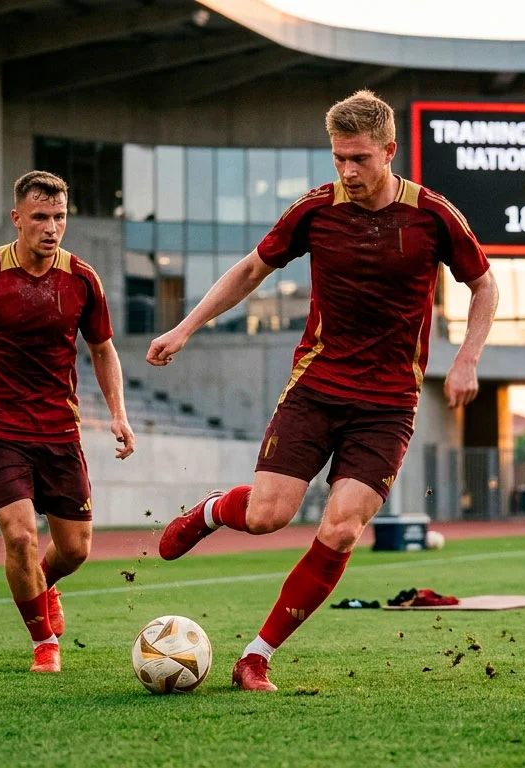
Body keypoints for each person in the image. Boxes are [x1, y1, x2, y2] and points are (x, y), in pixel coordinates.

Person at [148, 90, 499, 692]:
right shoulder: (315, 210)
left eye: (359, 158)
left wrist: (467, 358)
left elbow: (484, 286)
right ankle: (212, 510)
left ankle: (255, 656)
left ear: (390, 151)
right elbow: (250, 271)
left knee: (340, 529)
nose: (347, 171)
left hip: (389, 405)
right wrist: (186, 327)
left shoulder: (433, 215)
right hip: (316, 388)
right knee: (266, 518)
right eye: (339, 158)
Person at [0, 170, 135, 674]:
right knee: (20, 536)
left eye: (59, 217)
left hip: (60, 432)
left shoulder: (83, 279)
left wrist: (118, 415)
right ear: (17, 218)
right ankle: (44, 641)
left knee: (76, 549)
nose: (51, 227)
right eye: (40, 217)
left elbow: (102, 350)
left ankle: (44, 584)